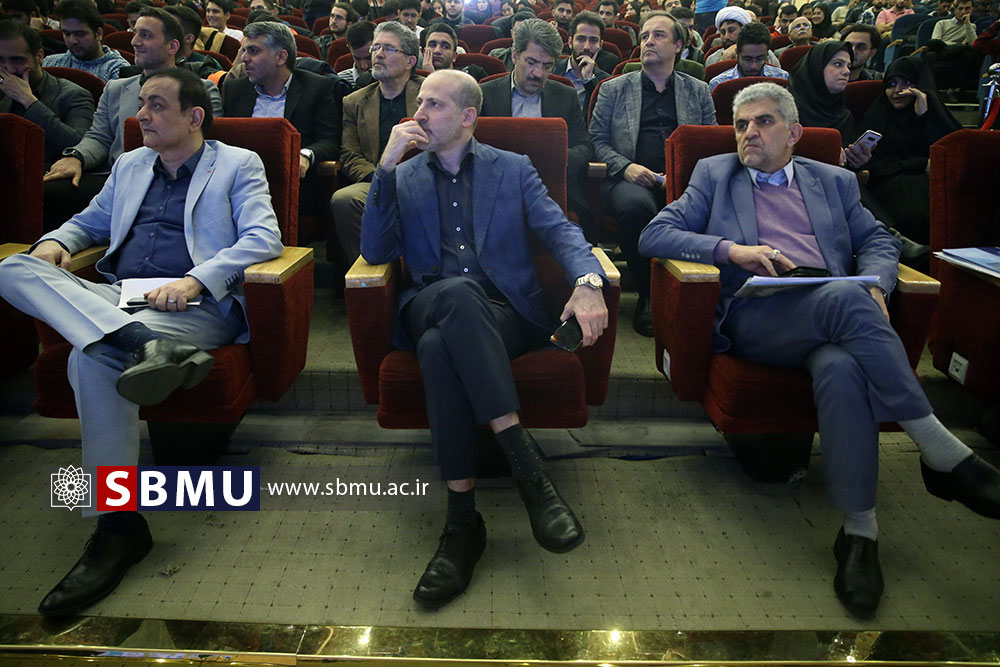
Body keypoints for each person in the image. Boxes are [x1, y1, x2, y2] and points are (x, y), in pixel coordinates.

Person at [638, 81, 1000, 618]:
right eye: (741, 125)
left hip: (832, 313)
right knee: (845, 298)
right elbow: (654, 234)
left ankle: (859, 533)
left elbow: (879, 241)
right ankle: (942, 452)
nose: (749, 133)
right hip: (758, 315)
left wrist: (877, 284)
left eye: (763, 122)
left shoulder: (834, 180)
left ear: (794, 133)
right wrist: (731, 250)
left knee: (841, 365)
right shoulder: (714, 174)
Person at [0, 67, 283, 617]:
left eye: (156, 105)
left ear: (194, 117)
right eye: (142, 104)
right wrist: (57, 242)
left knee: (91, 360)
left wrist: (195, 280)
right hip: (119, 297)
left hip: (192, 307)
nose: (141, 116)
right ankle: (136, 343)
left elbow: (262, 237)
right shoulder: (130, 164)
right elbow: (88, 223)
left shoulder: (237, 163)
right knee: (14, 267)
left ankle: (117, 524)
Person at [362, 68, 608, 608]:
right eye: (419, 103)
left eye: (434, 104)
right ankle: (529, 472)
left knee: (439, 348)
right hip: (427, 304)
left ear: (468, 116)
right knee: (454, 294)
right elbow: (376, 252)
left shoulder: (513, 168)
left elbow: (560, 230)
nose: (419, 114)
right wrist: (384, 166)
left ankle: (462, 526)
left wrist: (589, 282)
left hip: (504, 314)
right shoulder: (405, 174)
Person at [589, 10, 716, 336]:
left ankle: (696, 297)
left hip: (684, 180)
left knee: (705, 205)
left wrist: (682, 174)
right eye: (645, 35)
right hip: (630, 179)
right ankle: (649, 294)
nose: (648, 41)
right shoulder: (614, 89)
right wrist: (626, 167)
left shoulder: (698, 90)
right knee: (636, 207)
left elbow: (709, 142)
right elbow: (596, 141)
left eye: (658, 35)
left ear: (678, 45)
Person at [41, 6, 224, 230]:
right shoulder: (116, 88)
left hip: (173, 178)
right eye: (135, 33)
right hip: (116, 177)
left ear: (172, 46)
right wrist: (77, 157)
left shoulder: (202, 90)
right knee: (49, 191)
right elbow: (99, 137)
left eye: (145, 35)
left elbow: (205, 144)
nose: (135, 41)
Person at [481, 19, 595, 229]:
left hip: (551, 189)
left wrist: (554, 159)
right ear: (515, 56)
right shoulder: (486, 94)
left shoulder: (566, 95)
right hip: (497, 190)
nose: (539, 73)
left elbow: (585, 147)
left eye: (547, 66)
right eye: (531, 62)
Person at [222, 20, 341, 222]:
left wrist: (304, 155)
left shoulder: (317, 88)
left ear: (281, 57)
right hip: (239, 185)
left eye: (253, 51)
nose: (244, 58)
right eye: (244, 50)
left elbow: (330, 141)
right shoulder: (235, 90)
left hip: (293, 184)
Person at [331, 20, 423, 263]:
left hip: (423, 180)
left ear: (410, 61)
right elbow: (349, 154)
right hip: (375, 181)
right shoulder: (354, 102)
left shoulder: (428, 96)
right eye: (376, 48)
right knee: (344, 199)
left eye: (389, 48)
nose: (378, 54)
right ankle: (371, 271)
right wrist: (380, 179)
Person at [861, 55, 960, 245]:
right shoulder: (877, 116)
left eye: (907, 83)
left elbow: (949, 157)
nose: (898, 90)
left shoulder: (934, 116)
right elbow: (875, 168)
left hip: (928, 181)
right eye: (891, 84)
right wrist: (920, 164)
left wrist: (924, 117)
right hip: (890, 184)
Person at [0, 19, 94, 163]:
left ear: (39, 56)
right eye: (1, 60)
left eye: (17, 60)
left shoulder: (74, 95)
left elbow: (79, 146)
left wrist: (29, 101)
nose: (10, 69)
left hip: (48, 172)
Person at [42, 0, 130, 82]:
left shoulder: (118, 69)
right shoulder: (50, 63)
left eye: (80, 34)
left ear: (98, 34)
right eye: (66, 34)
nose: (72, 41)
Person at [553, 10, 611, 111]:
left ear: (600, 45)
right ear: (570, 42)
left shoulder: (607, 83)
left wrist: (589, 79)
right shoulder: (551, 69)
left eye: (593, 40)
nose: (586, 47)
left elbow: (603, 112)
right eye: (581, 39)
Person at [708, 20, 788, 91]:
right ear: (737, 53)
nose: (753, 66)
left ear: (767, 54)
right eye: (747, 59)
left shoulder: (781, 78)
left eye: (760, 59)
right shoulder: (718, 84)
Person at [705, 6, 780, 66]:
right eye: (723, 32)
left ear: (743, 30)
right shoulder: (712, 59)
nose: (727, 36)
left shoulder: (765, 54)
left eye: (731, 30)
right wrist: (724, 60)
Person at [419, 22, 487, 79]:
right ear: (424, 52)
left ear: (454, 56)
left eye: (445, 47)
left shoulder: (473, 73)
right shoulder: (414, 79)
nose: (437, 51)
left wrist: (431, 76)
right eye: (432, 45)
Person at [336, 19, 373, 87]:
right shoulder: (341, 81)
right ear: (349, 48)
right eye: (357, 59)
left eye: (369, 58)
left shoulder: (390, 78)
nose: (364, 66)